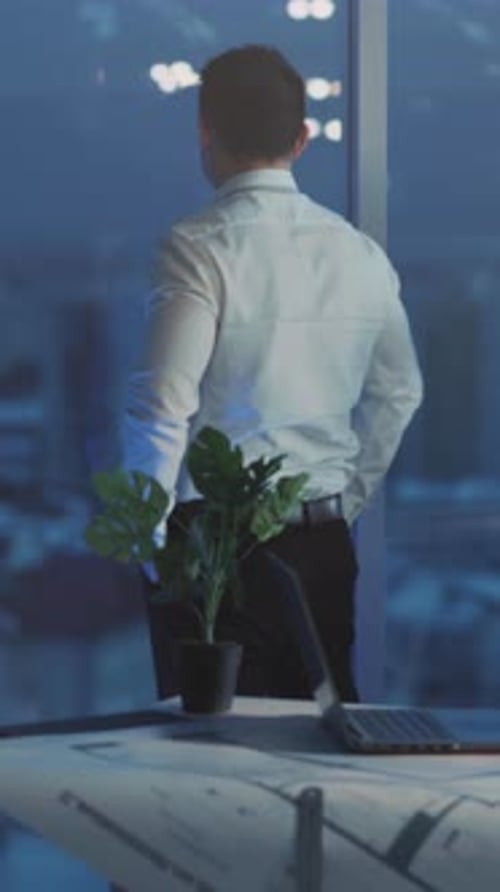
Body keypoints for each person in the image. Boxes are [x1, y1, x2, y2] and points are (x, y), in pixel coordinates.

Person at [123, 45, 423, 702]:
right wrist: (344, 501)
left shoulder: (197, 246)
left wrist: (150, 542)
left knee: (208, 748)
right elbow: (399, 392)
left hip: (213, 549)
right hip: (323, 548)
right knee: (318, 738)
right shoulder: (360, 253)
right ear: (302, 138)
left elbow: (163, 401)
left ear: (204, 131)